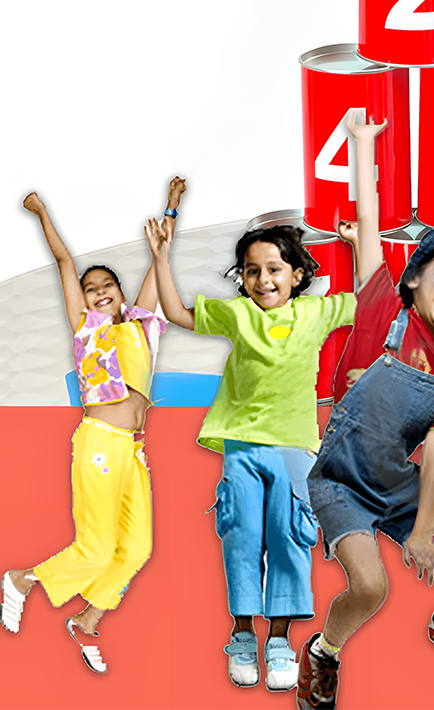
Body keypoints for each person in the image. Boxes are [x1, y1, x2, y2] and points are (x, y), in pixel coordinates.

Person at [298, 112, 434, 710]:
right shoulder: (378, 309)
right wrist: (363, 146)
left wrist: (421, 532)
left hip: (397, 483)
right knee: (370, 588)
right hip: (341, 482)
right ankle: (325, 653)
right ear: (414, 278)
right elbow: (368, 224)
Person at [146, 213, 355, 692]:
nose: (263, 279)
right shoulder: (236, 315)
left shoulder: (314, 314)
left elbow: (367, 302)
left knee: (288, 539)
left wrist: (358, 244)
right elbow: (177, 313)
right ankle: (243, 634)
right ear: (242, 276)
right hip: (241, 445)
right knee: (242, 536)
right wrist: (161, 256)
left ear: (298, 274)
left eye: (274, 269)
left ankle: (278, 640)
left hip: (295, 447)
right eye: (252, 270)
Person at [0, 178, 185, 674]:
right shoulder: (88, 326)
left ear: (120, 293)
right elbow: (65, 263)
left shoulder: (142, 325)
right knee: (97, 547)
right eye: (92, 288)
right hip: (100, 442)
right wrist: (41, 213)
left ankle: (86, 621)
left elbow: (156, 261)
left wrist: (171, 207)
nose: (100, 292)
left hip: (134, 449)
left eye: (107, 286)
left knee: (138, 548)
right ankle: (23, 579)